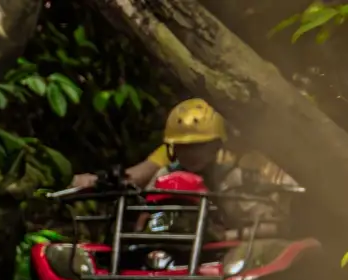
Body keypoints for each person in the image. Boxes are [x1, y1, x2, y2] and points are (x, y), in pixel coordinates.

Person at [68, 98, 298, 237]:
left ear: (216, 143)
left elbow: (274, 226)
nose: (190, 154)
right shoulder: (167, 171)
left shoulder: (238, 172)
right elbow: (137, 183)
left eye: (199, 146)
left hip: (228, 242)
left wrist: (222, 236)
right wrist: (98, 181)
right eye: (183, 147)